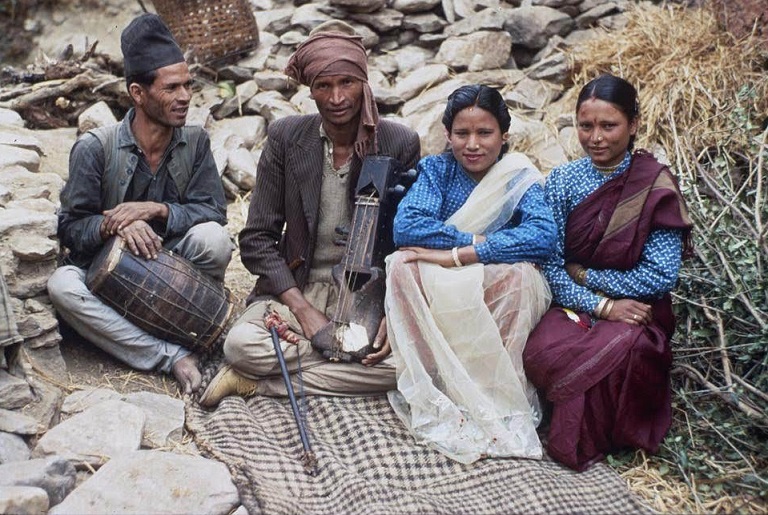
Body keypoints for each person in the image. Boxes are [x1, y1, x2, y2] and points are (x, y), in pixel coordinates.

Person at [199, 20, 421, 407]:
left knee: (410, 366)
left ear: (364, 84)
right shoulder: (287, 138)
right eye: (323, 86)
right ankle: (335, 361)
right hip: (297, 289)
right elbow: (257, 241)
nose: (337, 97)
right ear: (310, 91)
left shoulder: (398, 142)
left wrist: (391, 310)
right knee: (240, 346)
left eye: (347, 83)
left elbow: (407, 240)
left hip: (367, 296)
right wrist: (303, 313)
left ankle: (259, 384)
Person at [47, 13, 232, 394]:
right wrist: (114, 224)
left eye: (188, 85)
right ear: (138, 93)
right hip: (109, 272)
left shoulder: (195, 142)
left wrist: (156, 210)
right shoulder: (95, 148)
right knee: (62, 286)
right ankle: (169, 354)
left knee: (214, 239)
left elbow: (213, 210)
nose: (184, 97)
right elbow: (71, 228)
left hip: (172, 261)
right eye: (171, 88)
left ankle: (193, 324)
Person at [523, 74, 693, 471]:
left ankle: (604, 436)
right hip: (573, 305)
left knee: (629, 351)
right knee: (541, 349)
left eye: (609, 125)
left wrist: (586, 276)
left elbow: (660, 276)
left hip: (639, 310)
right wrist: (599, 305)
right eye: (586, 126)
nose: (596, 137)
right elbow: (550, 263)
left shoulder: (655, 186)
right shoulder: (564, 181)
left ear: (633, 125)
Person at [383, 85, 557, 463]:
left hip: (489, 277)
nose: (473, 144)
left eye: (485, 133)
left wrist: (469, 253)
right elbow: (408, 227)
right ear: (448, 135)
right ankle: (439, 382)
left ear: (504, 135)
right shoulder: (438, 170)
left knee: (523, 276)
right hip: (445, 281)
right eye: (462, 134)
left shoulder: (517, 176)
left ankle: (498, 396)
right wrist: (473, 237)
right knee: (400, 264)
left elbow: (542, 236)